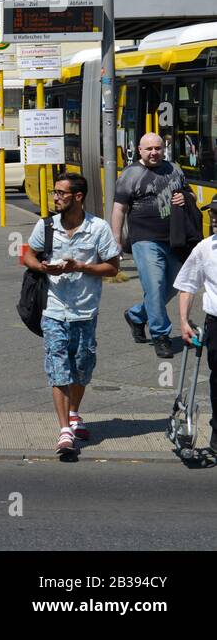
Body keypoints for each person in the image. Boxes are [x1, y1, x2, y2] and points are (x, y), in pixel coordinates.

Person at [21, 173, 121, 455]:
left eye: (61, 193)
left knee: (81, 369)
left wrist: (81, 267)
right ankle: (65, 429)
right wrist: (41, 268)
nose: (55, 197)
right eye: (55, 192)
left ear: (78, 197)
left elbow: (113, 267)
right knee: (58, 369)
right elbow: (28, 254)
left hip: (86, 310)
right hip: (53, 308)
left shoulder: (98, 228)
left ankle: (74, 413)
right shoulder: (47, 225)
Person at [112, 132, 192, 359]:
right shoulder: (130, 174)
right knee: (155, 286)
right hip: (145, 239)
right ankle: (161, 335)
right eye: (149, 149)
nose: (154, 152)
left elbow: (190, 194)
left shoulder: (174, 168)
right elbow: (119, 208)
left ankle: (137, 315)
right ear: (139, 150)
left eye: (158, 148)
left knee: (175, 285)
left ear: (163, 148)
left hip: (176, 239)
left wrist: (185, 198)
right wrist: (116, 240)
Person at [173, 232, 217, 454]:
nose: (215, 218)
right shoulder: (205, 248)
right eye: (213, 213)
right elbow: (188, 284)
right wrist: (183, 321)